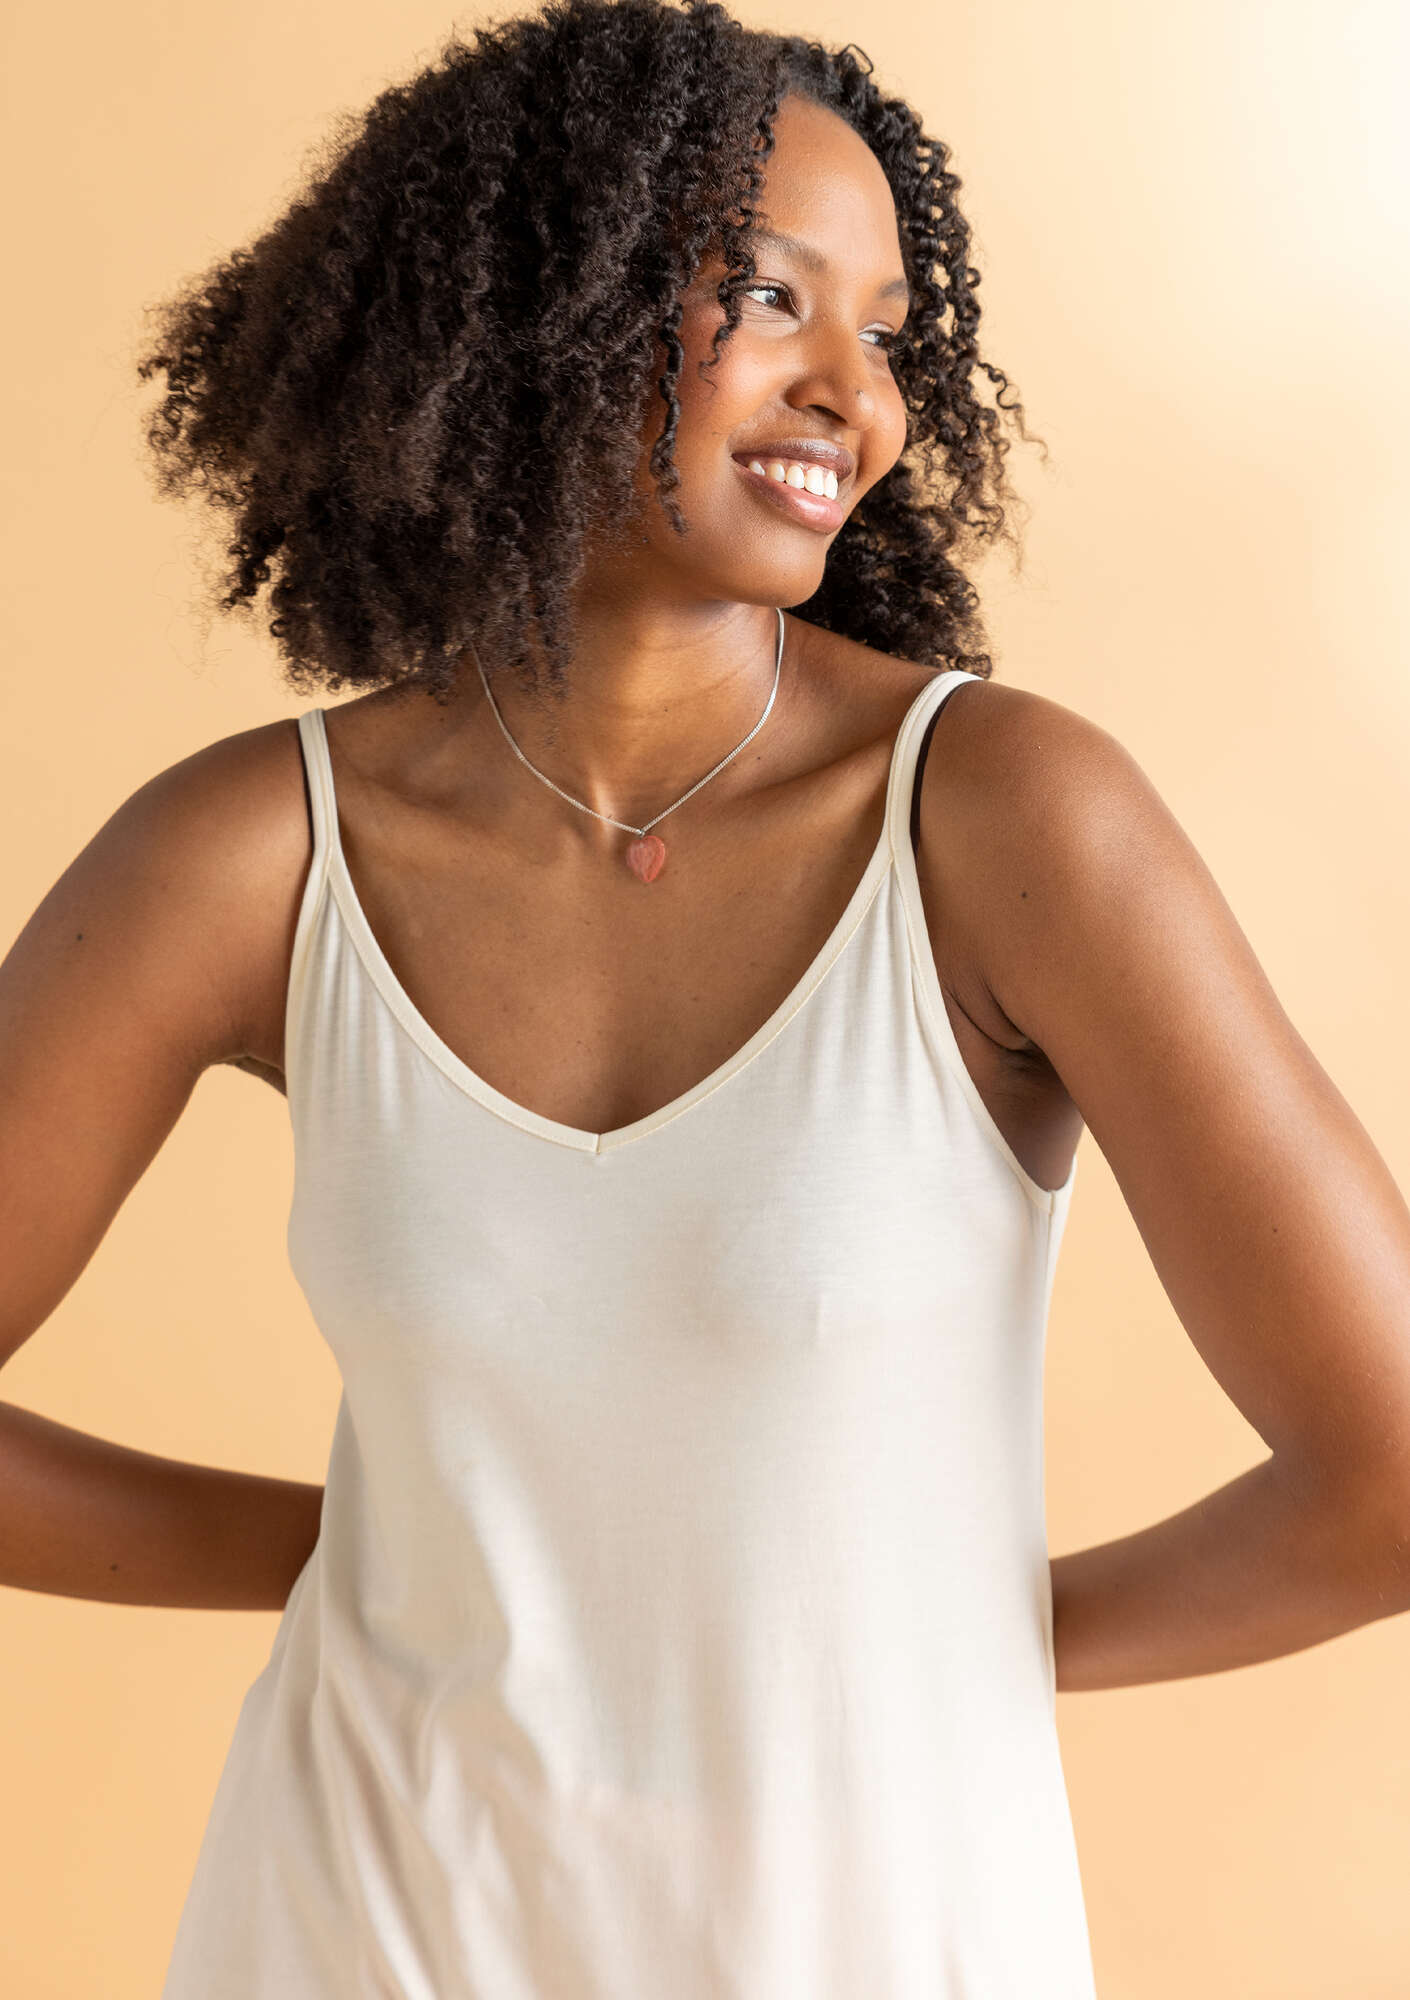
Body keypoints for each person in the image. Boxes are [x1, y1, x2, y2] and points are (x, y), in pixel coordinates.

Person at [4, 0, 1410, 1993]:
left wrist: (953, 1648)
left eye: (890, 334)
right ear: (529, 308)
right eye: (765, 296)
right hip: (355, 1930)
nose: (856, 393)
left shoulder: (1002, 821)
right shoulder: (261, 849)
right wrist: (340, 1555)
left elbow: (1391, 1471)